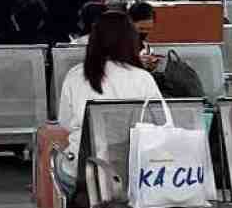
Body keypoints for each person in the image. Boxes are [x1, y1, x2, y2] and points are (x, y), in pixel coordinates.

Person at [55, 10, 157, 177]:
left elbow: (65, 123)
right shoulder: (143, 78)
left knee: (52, 151)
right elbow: (157, 122)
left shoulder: (75, 76)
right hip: (131, 169)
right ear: (130, 41)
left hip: (83, 170)